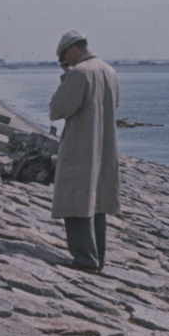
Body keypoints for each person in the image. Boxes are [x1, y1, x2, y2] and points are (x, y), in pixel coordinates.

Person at [49, 30, 120, 272]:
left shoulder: (79, 73)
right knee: (97, 202)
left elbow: (58, 109)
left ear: (72, 50)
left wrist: (64, 80)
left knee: (75, 199)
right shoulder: (109, 71)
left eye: (64, 59)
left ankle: (83, 259)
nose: (65, 64)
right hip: (104, 145)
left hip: (82, 145)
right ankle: (97, 258)